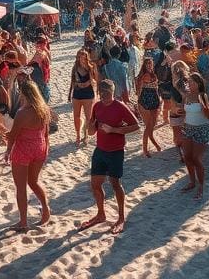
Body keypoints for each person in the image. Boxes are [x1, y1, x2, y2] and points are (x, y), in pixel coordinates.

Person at [78, 79, 139, 234]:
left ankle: (121, 218)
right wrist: (91, 125)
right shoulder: (97, 106)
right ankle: (101, 214)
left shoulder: (120, 106)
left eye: (107, 93)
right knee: (95, 184)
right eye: (102, 92)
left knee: (115, 184)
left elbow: (136, 125)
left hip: (116, 151)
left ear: (112, 92)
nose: (104, 96)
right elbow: (91, 131)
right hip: (100, 150)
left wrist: (114, 130)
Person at [4, 81, 51, 232]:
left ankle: (23, 221)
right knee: (34, 182)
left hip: (24, 149)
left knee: (21, 187)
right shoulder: (44, 109)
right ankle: (45, 209)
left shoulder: (22, 113)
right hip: (40, 147)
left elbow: (13, 135)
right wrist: (45, 148)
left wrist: (7, 149)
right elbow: (46, 133)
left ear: (23, 94)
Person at [179, 72, 209, 199]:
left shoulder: (203, 96)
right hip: (188, 128)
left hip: (202, 129)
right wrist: (181, 113)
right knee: (187, 157)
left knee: (196, 159)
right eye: (189, 82)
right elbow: (186, 112)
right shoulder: (187, 96)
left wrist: (204, 106)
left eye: (193, 82)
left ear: (199, 84)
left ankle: (201, 186)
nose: (191, 84)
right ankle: (192, 182)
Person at [69, 49, 98, 147]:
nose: (83, 60)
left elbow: (95, 80)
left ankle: (85, 135)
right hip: (77, 93)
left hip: (88, 94)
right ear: (78, 58)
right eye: (81, 58)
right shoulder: (75, 68)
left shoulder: (91, 67)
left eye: (84, 58)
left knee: (88, 117)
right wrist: (77, 85)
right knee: (76, 116)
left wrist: (88, 82)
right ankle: (77, 135)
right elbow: (72, 82)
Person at [134, 57, 162, 157]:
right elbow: (139, 91)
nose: (149, 65)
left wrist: (159, 100)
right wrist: (139, 104)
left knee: (152, 125)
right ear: (144, 65)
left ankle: (154, 144)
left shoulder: (153, 74)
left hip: (154, 100)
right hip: (145, 101)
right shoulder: (143, 76)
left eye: (151, 63)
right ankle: (145, 149)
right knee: (148, 126)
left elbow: (156, 88)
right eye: (147, 64)